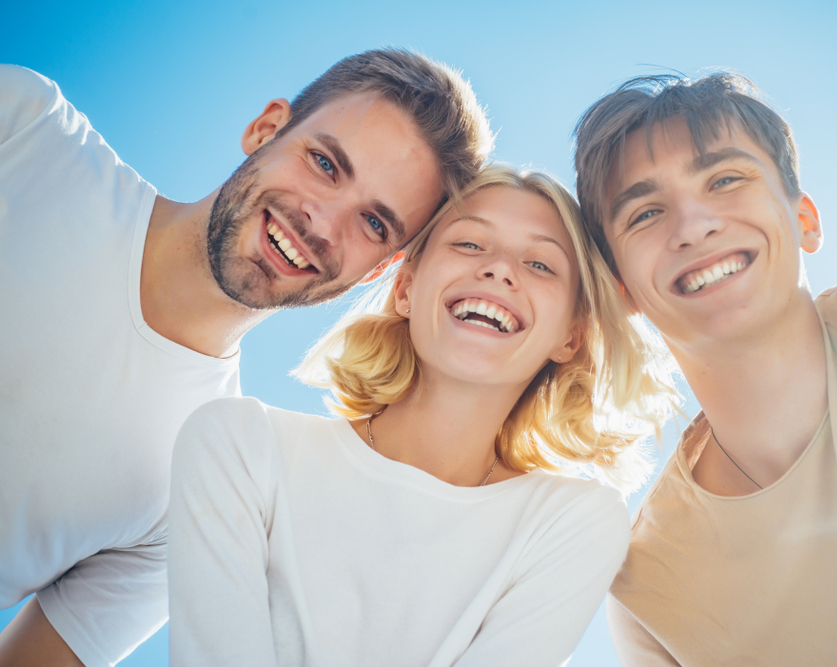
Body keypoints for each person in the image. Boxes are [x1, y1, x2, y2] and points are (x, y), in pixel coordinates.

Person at [0, 48, 492, 667]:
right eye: (324, 163)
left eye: (373, 223)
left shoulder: (203, 485)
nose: (322, 221)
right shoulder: (23, 132)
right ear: (266, 129)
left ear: (385, 267)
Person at [167, 164, 675, 666]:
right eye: (470, 244)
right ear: (405, 290)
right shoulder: (241, 445)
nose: (499, 269)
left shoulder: (573, 521)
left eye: (541, 265)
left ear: (572, 337)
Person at [572, 72, 837, 665]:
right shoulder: (648, 586)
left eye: (724, 179)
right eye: (645, 214)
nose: (693, 226)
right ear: (623, 291)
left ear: (805, 220)